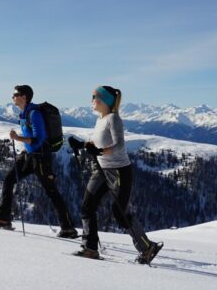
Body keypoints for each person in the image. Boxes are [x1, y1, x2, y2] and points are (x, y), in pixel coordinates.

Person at [67, 85, 163, 264]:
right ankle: (89, 248)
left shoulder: (113, 119)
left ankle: (147, 247)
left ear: (104, 100)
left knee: (120, 211)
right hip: (101, 169)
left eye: (94, 96)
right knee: (87, 206)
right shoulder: (100, 119)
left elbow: (119, 145)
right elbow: (96, 143)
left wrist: (100, 151)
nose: (91, 100)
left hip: (119, 171)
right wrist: (81, 145)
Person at [0, 85, 79, 238]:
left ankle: (68, 228)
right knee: (9, 180)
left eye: (15, 94)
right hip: (29, 156)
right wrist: (25, 148)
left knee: (51, 191)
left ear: (24, 97)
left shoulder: (34, 114)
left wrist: (18, 139)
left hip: (41, 158)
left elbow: (39, 139)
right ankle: (3, 219)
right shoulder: (25, 113)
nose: (13, 97)